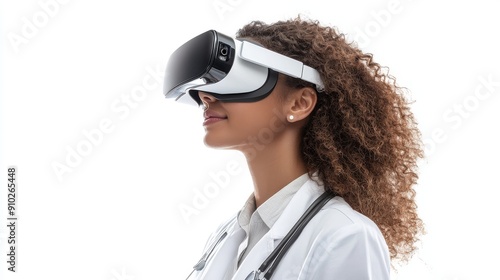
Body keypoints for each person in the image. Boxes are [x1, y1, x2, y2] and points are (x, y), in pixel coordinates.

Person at [171, 16, 423, 280]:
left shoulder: (344, 235)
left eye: (242, 76)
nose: (205, 96)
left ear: (299, 103)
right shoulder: (226, 235)